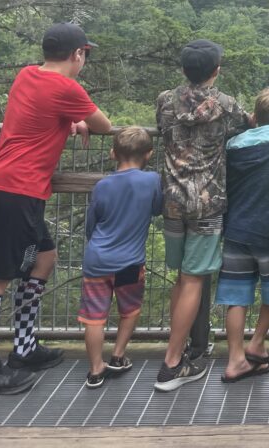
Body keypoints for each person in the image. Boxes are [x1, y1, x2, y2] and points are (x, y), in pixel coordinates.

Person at [0, 22, 112, 396]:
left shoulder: (28, 75)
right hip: (16, 188)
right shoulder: (67, 87)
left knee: (44, 257)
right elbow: (105, 125)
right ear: (77, 54)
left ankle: (24, 347)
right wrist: (78, 119)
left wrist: (69, 120)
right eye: (85, 55)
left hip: (9, 186)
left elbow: (46, 113)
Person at [154, 39, 250, 392]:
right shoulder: (225, 105)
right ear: (216, 71)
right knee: (194, 280)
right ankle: (172, 363)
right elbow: (246, 126)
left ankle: (186, 349)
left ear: (183, 70)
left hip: (173, 200)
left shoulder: (165, 100)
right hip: (207, 204)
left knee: (181, 279)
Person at [216, 88, 269, 383]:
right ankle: (257, 341)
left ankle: (236, 358)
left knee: (236, 295)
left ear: (254, 116)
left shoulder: (233, 145)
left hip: (237, 227)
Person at [79, 127, 162, 388]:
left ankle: (95, 370)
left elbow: (91, 224)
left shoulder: (102, 185)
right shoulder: (153, 181)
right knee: (130, 310)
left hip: (97, 259)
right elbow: (158, 209)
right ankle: (117, 355)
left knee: (94, 317)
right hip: (131, 261)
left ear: (113, 153)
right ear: (149, 154)